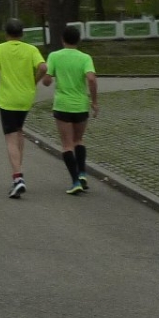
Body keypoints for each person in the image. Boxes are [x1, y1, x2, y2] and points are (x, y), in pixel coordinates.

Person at [0, 18, 47, 198]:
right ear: (22, 33)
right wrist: (34, 81)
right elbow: (43, 67)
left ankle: (18, 178)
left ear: (6, 33)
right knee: (19, 132)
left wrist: (0, 70)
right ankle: (19, 168)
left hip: (8, 99)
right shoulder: (31, 49)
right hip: (26, 97)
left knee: (11, 137)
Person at [42, 25, 99, 195]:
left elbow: (46, 80)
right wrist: (94, 101)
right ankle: (82, 174)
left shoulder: (54, 56)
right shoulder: (85, 58)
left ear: (62, 39)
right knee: (78, 140)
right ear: (78, 40)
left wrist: (47, 79)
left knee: (67, 145)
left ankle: (75, 182)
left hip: (62, 105)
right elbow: (91, 79)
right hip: (80, 105)